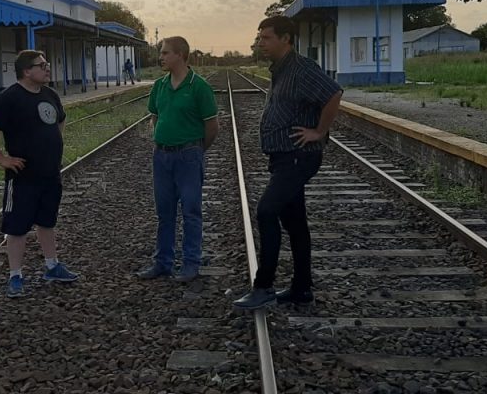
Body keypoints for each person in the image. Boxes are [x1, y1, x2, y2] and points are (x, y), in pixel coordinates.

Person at [233, 16, 343, 310]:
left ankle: (264, 287)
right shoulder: (280, 69)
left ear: (286, 39)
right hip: (284, 157)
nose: (260, 43)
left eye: (266, 38)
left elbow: (334, 93)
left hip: (298, 156)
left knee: (267, 211)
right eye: (260, 38)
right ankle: (301, 288)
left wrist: (319, 131)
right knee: (295, 223)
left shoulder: (301, 68)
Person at [0, 50, 79, 298]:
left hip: (50, 173)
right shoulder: (10, 98)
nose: (47, 68)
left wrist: (54, 142)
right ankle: (15, 276)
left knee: (47, 221)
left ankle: (52, 265)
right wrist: (2, 158)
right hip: (23, 175)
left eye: (46, 64)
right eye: (41, 65)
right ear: (26, 71)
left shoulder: (49, 94)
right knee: (17, 227)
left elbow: (60, 120)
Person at [137, 36, 219, 282]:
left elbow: (212, 126)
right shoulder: (160, 85)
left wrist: (196, 151)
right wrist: (162, 140)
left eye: (165, 53)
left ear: (181, 55)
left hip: (189, 155)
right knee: (164, 212)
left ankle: (190, 264)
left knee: (191, 211)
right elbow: (155, 117)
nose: (160, 57)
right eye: (161, 53)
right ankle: (163, 263)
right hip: (161, 156)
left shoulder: (199, 86)